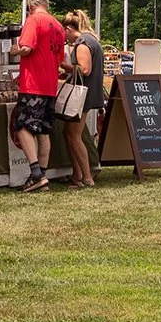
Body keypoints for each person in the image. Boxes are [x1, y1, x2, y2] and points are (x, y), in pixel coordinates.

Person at [12, 0, 67, 191]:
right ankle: (41, 178)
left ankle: (35, 173)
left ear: (30, 5)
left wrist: (15, 50)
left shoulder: (33, 20)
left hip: (33, 84)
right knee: (43, 131)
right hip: (50, 84)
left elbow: (26, 48)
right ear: (47, 3)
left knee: (22, 125)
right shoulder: (59, 26)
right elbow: (60, 59)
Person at [59, 10, 101, 188]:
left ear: (69, 29)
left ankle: (86, 176)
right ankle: (77, 175)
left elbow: (84, 70)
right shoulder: (91, 39)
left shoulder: (82, 43)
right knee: (68, 133)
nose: (64, 37)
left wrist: (61, 65)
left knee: (74, 135)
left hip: (83, 94)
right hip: (89, 92)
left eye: (63, 33)